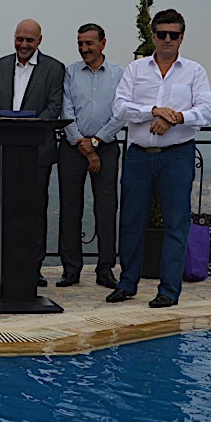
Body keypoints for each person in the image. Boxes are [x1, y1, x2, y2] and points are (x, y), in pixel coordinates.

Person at [107, 9, 211, 308]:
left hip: (176, 156)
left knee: (175, 225)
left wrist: (176, 117)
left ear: (182, 37)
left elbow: (207, 110)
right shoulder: (136, 70)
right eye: (162, 34)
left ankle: (169, 290)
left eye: (174, 34)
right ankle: (127, 283)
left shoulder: (194, 71)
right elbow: (119, 108)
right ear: (153, 36)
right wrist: (153, 111)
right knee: (131, 221)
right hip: (139, 156)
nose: (168, 39)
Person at [0, 19, 64, 287]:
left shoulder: (54, 69)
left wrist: (26, 131)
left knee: (35, 211)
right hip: (2, 151)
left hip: (36, 153)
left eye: (29, 40)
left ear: (39, 40)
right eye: (20, 39)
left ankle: (33, 267)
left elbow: (53, 108)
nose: (24, 44)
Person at [57, 23, 124, 288]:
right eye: (80, 44)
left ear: (102, 44)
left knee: (106, 210)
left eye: (89, 43)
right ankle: (70, 269)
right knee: (69, 208)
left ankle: (105, 269)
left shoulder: (119, 74)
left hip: (106, 148)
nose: (84, 48)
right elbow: (66, 110)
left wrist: (96, 142)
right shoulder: (70, 72)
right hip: (73, 147)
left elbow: (121, 113)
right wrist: (83, 144)